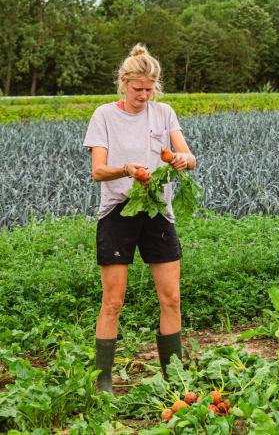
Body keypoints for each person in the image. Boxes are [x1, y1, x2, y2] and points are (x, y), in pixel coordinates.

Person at [84, 44, 197, 393]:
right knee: (114, 301)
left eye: (150, 89)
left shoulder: (163, 114)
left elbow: (189, 156)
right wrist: (127, 169)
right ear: (123, 83)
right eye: (138, 89)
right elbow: (98, 171)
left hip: (157, 211)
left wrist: (181, 159)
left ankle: (173, 378)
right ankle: (103, 381)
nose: (144, 96)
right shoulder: (104, 115)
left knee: (171, 297)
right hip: (119, 211)